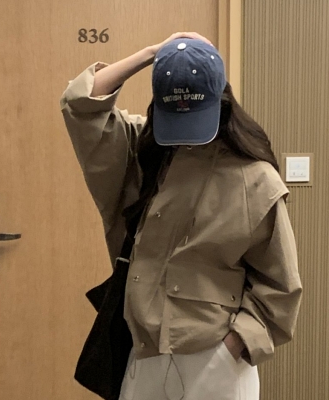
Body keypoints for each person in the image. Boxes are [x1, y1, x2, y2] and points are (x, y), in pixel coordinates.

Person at [60, 32, 302, 400]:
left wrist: (231, 349)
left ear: (222, 101)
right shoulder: (140, 153)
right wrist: (154, 53)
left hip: (216, 359)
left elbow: (281, 285)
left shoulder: (254, 179)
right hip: (142, 356)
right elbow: (81, 103)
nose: (186, 135)